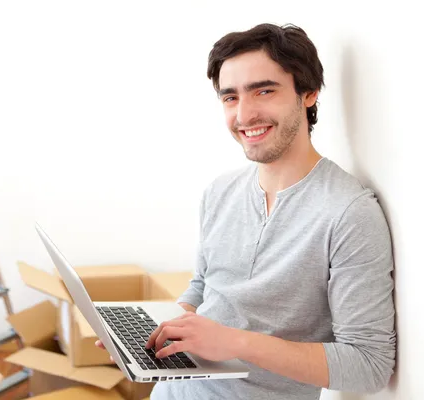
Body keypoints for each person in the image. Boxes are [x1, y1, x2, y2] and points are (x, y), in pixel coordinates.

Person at [96, 22, 396, 399]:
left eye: (264, 91)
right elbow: (204, 286)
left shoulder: (348, 213)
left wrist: (235, 343)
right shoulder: (219, 192)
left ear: (308, 93)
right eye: (230, 98)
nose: (244, 115)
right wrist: (156, 335)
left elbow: (369, 365)